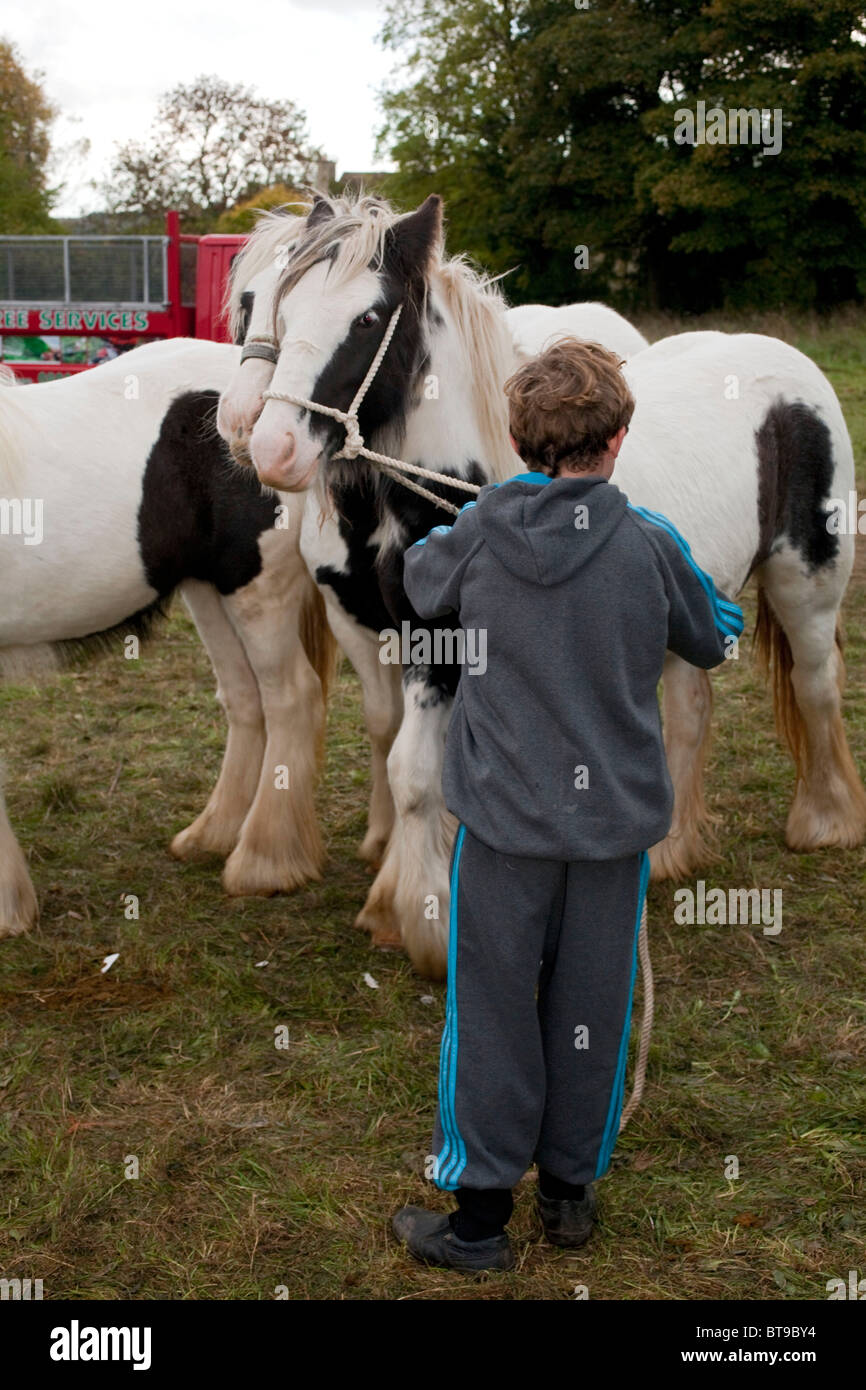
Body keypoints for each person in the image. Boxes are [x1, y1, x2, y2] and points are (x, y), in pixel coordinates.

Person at [391, 337, 745, 1272]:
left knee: (495, 1009)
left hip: (503, 831)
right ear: (619, 439)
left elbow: (420, 581)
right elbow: (713, 635)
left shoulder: (477, 534)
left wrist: (471, 523)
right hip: (612, 835)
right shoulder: (651, 542)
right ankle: (569, 1195)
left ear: (517, 439)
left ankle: (477, 1226)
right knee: (593, 1006)